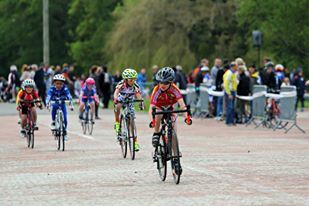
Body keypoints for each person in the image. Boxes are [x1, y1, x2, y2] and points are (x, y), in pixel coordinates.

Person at [149, 67, 192, 175]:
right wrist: (152, 121)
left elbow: (182, 105)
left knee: (173, 133)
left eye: (165, 83)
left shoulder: (174, 89)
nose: (162, 85)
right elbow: (151, 109)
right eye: (160, 82)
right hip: (159, 108)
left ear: (170, 82)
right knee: (158, 113)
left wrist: (187, 117)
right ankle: (157, 133)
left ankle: (176, 160)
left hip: (170, 108)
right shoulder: (157, 90)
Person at [113, 68, 144, 151]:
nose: (133, 81)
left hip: (130, 101)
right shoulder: (121, 84)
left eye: (134, 79)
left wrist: (141, 102)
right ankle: (117, 122)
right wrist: (115, 98)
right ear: (126, 79)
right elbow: (116, 92)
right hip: (121, 99)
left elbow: (138, 95)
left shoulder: (135, 85)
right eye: (131, 79)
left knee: (132, 122)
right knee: (118, 106)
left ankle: (135, 142)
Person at [45, 74, 74, 141]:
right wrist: (47, 103)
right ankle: (53, 122)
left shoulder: (65, 88)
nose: (59, 85)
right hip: (55, 103)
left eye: (61, 84)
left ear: (63, 84)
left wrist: (71, 104)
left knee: (65, 119)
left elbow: (69, 96)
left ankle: (65, 133)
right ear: (54, 83)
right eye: (57, 83)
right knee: (54, 106)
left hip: (62, 104)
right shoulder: (52, 89)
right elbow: (48, 97)